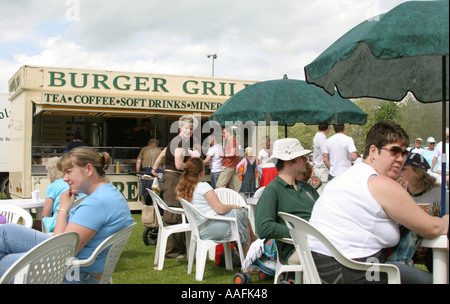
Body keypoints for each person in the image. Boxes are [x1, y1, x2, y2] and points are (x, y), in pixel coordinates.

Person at [307, 121, 449, 284]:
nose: (401, 159)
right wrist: (445, 219)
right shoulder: (380, 183)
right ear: (373, 151)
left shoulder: (346, 178)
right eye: (394, 151)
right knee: (437, 280)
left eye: (404, 153)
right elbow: (434, 228)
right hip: (359, 272)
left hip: (322, 269)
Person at [0, 146, 133, 283]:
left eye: (68, 172)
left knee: (4, 262)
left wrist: (63, 209)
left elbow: (59, 252)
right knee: (4, 232)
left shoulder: (96, 203)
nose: (64, 179)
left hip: (76, 273)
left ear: (89, 169)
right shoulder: (108, 193)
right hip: (76, 265)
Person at [255, 138, 319, 265]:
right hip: (297, 249)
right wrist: (301, 232)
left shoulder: (307, 188)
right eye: (302, 157)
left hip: (321, 243)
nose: (306, 160)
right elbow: (263, 227)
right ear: (289, 161)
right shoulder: (272, 190)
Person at [176, 158, 249, 253]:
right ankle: (249, 260)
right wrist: (233, 206)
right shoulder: (203, 187)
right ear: (201, 173)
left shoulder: (182, 189)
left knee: (242, 218)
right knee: (242, 214)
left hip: (199, 228)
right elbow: (220, 209)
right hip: (211, 228)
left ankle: (246, 255)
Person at [151, 114, 199, 259]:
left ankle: (177, 248)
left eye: (191, 129)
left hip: (169, 178)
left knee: (175, 213)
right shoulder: (180, 143)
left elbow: (162, 154)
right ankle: (171, 251)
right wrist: (192, 166)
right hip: (173, 179)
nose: (188, 131)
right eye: (186, 128)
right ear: (180, 128)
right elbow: (179, 165)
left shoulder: (175, 141)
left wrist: (154, 168)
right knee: (173, 215)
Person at [39, 157, 70, 233]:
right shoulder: (75, 184)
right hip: (72, 223)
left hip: (58, 225)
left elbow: (45, 214)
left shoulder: (53, 186)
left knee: (36, 224)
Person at [216, 126, 240, 192]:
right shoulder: (232, 141)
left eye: (224, 133)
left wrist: (223, 156)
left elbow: (233, 153)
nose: (222, 135)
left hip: (228, 166)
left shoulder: (232, 141)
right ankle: (233, 201)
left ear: (228, 132)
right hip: (231, 166)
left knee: (219, 185)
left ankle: (221, 201)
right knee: (230, 187)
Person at [312, 123, 330, 194]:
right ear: (328, 127)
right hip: (322, 168)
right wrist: (330, 169)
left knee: (319, 191)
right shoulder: (322, 138)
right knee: (324, 192)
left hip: (318, 167)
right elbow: (325, 155)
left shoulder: (317, 136)